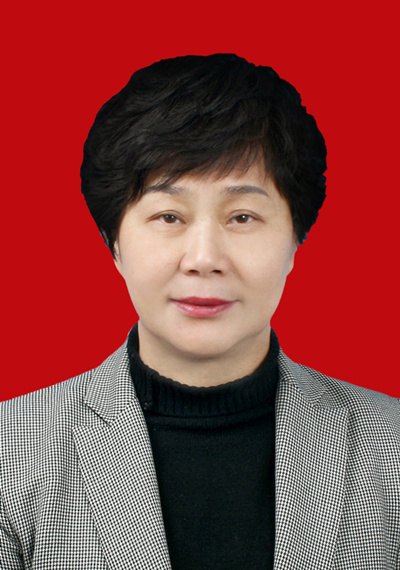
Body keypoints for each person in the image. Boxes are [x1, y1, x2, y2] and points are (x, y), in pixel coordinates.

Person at [1, 54, 399, 570]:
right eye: (169, 216)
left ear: (295, 240)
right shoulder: (13, 452)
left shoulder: (389, 446)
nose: (204, 258)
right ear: (113, 243)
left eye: (242, 216)